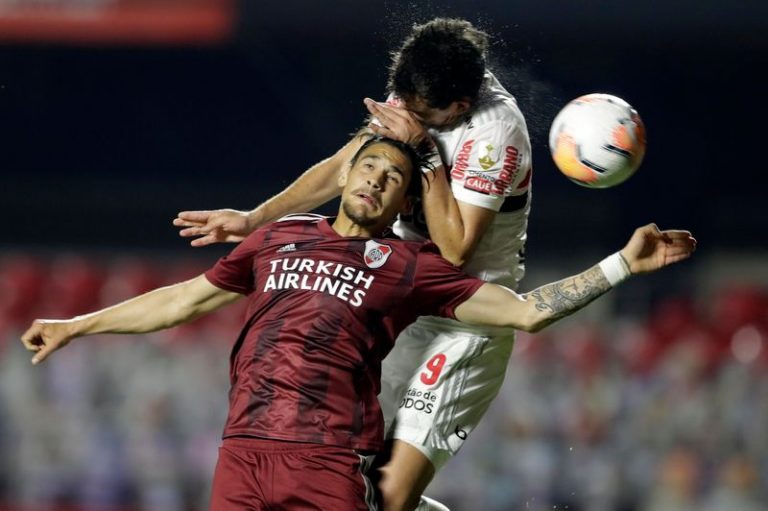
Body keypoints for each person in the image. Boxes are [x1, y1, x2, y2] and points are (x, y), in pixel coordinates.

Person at [22, 137, 695, 510]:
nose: (376, 178)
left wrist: (622, 267)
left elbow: (525, 313)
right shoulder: (278, 237)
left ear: (405, 200)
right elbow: (182, 300)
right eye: (367, 164)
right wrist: (76, 323)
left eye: (393, 175)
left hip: (327, 462)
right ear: (345, 175)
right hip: (243, 450)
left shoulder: (410, 264)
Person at [174, 17, 536, 510]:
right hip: (393, 303)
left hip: (466, 323)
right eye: (403, 105)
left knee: (388, 497)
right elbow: (347, 165)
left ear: (460, 107)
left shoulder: (495, 135)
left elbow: (454, 253)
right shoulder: (415, 95)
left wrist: (425, 152)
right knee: (341, 473)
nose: (408, 118)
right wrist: (255, 218)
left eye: (424, 116)